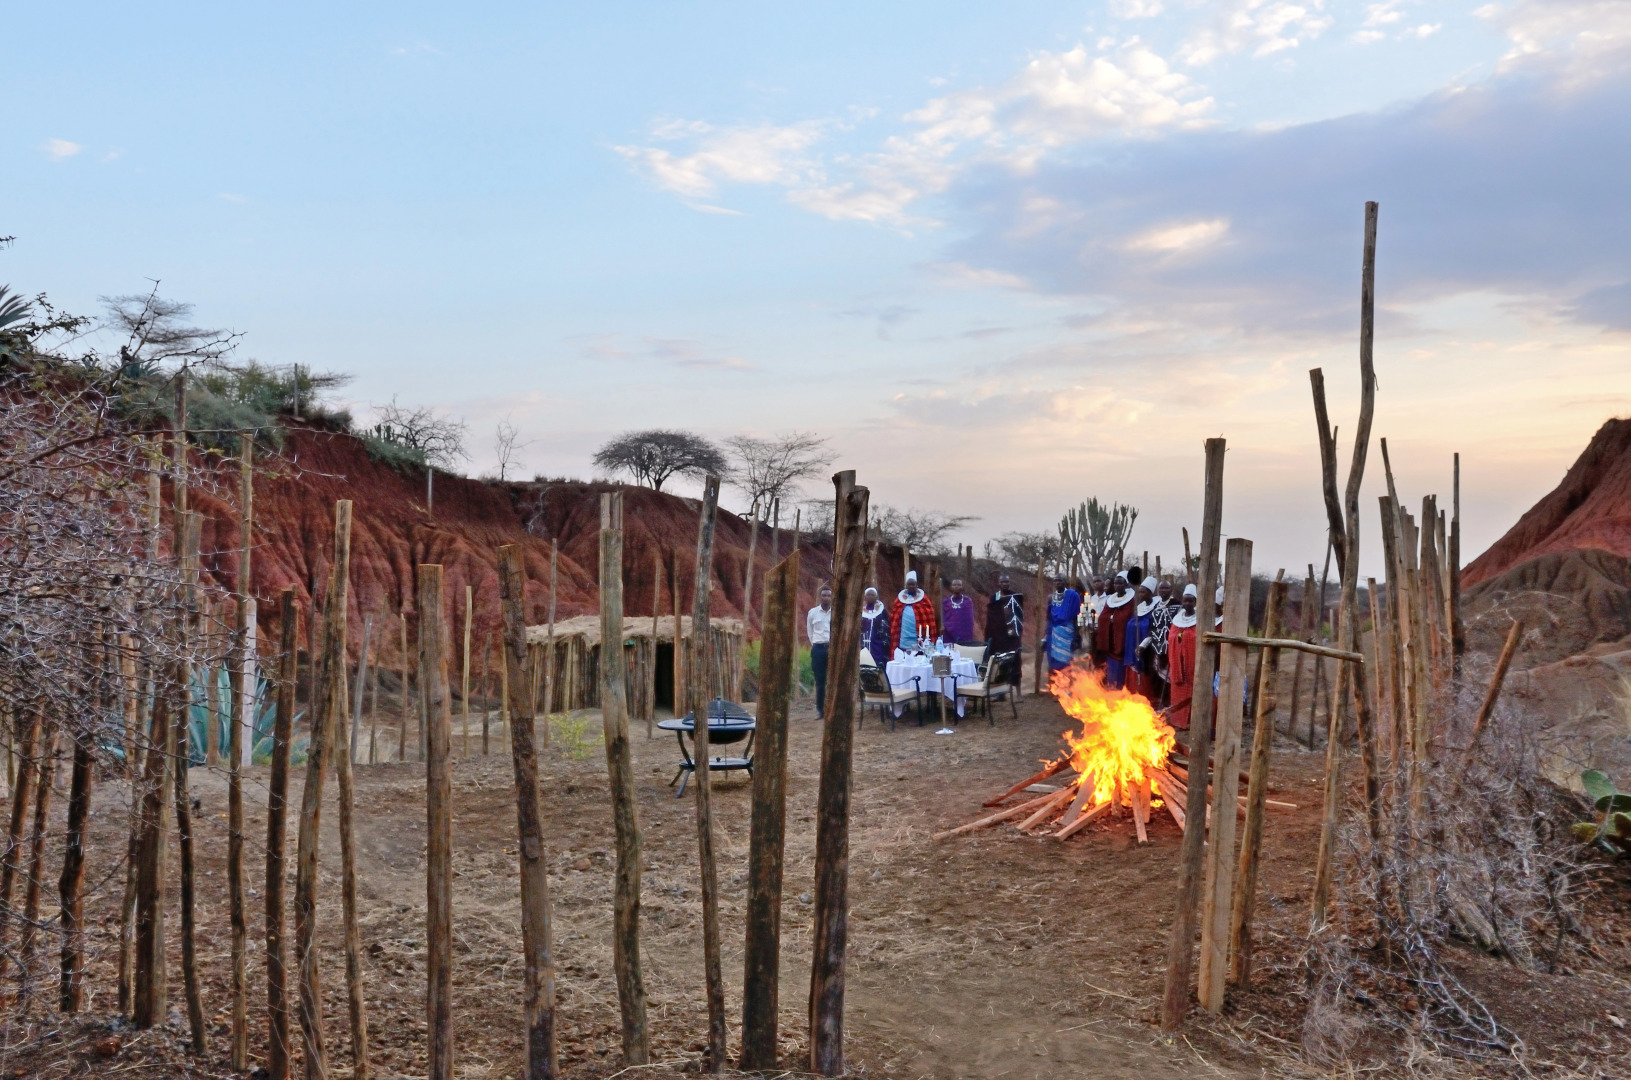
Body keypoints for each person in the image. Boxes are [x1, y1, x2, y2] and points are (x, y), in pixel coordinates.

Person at [1095, 572, 1136, 689]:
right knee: (1110, 668)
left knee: (1120, 671)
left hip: (1122, 640)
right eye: (1116, 583)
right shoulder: (1111, 600)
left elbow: (1124, 617)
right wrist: (1110, 619)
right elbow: (1103, 617)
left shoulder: (1131, 600)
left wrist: (1113, 619)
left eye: (1120, 583)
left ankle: (1120, 690)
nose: (1117, 586)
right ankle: (1111, 689)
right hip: (1110, 641)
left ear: (1125, 585)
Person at [1167, 585, 1198, 729]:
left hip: (1191, 663)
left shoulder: (1200, 619)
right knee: (1177, 691)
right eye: (1184, 601)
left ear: (1195, 602)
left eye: (1190, 601)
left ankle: (1190, 720)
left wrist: (1185, 639)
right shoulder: (1177, 619)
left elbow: (1196, 637)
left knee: (1192, 691)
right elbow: (1171, 636)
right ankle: (1177, 719)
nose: (1187, 604)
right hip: (1177, 664)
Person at [984, 573, 1023, 687]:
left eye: (1007, 582)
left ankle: (1018, 690)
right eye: (1002, 582)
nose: (1005, 584)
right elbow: (992, 616)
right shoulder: (994, 597)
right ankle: (1001, 692)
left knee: (1015, 661)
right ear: (999, 584)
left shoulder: (1015, 596)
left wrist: (1017, 631)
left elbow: (1019, 615)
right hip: (999, 636)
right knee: (1001, 663)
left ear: (1009, 583)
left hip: (1012, 635)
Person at [1123, 576, 1160, 698]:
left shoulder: (1157, 607)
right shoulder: (1139, 608)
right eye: (1139, 592)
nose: (1140, 595)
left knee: (1146, 676)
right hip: (1134, 646)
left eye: (1143, 592)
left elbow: (1153, 628)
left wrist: (1144, 644)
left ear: (1151, 592)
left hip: (1148, 650)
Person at [890, 571, 938, 654]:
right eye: (909, 584)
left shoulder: (924, 601)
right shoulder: (899, 601)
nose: (911, 586)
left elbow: (929, 619)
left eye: (913, 584)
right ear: (906, 586)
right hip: (903, 639)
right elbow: (894, 619)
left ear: (917, 586)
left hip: (919, 638)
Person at [1148, 578, 1177, 706]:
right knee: (1157, 677)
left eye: (1166, 588)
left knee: (1169, 678)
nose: (1164, 591)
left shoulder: (1177, 605)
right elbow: (1152, 628)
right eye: (1161, 588)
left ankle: (1169, 704)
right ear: (1158, 591)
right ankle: (1159, 705)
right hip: (1156, 647)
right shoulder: (1155, 606)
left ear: (1171, 590)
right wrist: (1143, 645)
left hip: (1170, 648)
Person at [1045, 574, 1082, 673]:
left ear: (1065, 582)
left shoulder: (1073, 596)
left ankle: (1066, 685)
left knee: (1066, 663)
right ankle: (1054, 686)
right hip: (1053, 634)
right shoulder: (1051, 598)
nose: (1057, 583)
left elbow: (1077, 617)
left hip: (1068, 634)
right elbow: (1048, 618)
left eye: (1060, 580)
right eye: (1055, 581)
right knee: (1052, 661)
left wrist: (1076, 637)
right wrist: (1045, 636)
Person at [807, 585, 833, 719]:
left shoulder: (835, 612)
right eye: (824, 595)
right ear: (820, 597)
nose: (826, 598)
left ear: (831, 597)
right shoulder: (813, 613)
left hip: (832, 649)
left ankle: (833, 709)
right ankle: (820, 710)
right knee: (820, 680)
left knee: (834, 679)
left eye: (829, 595)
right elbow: (810, 631)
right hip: (818, 649)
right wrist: (816, 644)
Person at [860, 587, 890, 667]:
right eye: (868, 595)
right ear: (865, 597)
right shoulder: (859, 610)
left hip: (877, 645)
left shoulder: (882, 611)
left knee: (877, 666)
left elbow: (885, 628)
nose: (870, 596)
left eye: (872, 595)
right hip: (862, 645)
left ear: (876, 597)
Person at [942, 577, 977, 645]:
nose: (956, 587)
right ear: (951, 587)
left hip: (964, 633)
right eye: (954, 585)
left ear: (962, 587)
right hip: (949, 634)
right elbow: (944, 617)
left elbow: (969, 619)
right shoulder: (946, 601)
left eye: (959, 585)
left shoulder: (967, 601)